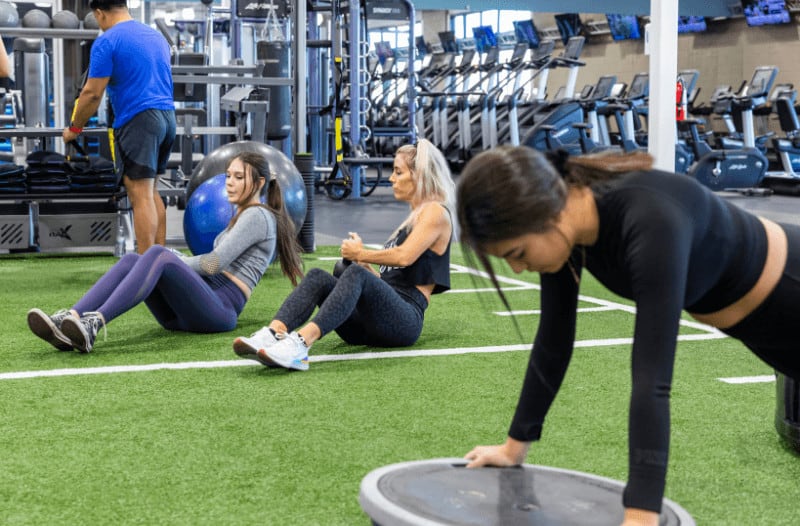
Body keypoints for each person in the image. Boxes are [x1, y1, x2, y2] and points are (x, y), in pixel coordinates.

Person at [455, 146, 800, 526]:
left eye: (517, 252)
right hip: (768, 334)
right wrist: (514, 447)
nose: (518, 268)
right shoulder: (568, 229)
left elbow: (652, 378)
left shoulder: (649, 217)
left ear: (548, 213)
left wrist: (640, 512)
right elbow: (553, 342)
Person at [27, 152, 303, 353]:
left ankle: (93, 325)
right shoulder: (242, 214)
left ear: (260, 183)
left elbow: (213, 264)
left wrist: (177, 260)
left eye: (238, 176)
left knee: (160, 253)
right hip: (189, 311)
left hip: (219, 310)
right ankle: (71, 319)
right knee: (134, 258)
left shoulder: (258, 215)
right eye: (228, 175)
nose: (229, 182)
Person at [232, 138, 455, 371]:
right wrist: (363, 264)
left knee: (356, 272)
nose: (391, 178)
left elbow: (404, 257)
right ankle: (272, 333)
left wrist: (362, 254)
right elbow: (390, 281)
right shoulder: (413, 218)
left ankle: (299, 344)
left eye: (398, 172)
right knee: (323, 274)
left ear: (419, 176)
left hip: (405, 321)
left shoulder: (435, 211)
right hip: (373, 324)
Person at [63, 0, 176, 254]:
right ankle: (162, 263)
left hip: (139, 120)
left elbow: (92, 94)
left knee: (140, 194)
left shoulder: (107, 41)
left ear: (99, 14)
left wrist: (75, 128)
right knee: (152, 190)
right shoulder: (155, 36)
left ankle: (147, 269)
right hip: (167, 117)